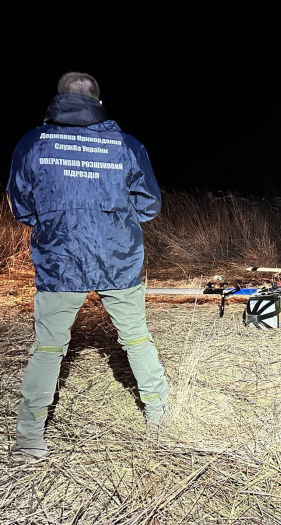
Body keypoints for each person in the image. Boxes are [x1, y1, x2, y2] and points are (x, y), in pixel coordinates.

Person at [6, 72, 169, 462]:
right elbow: (149, 204)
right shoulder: (125, 144)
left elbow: (21, 206)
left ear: (58, 100)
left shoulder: (33, 143)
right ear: (98, 103)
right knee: (136, 338)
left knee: (48, 347)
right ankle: (161, 417)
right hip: (118, 256)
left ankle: (29, 441)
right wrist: (114, 220)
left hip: (60, 260)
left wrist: (55, 222)